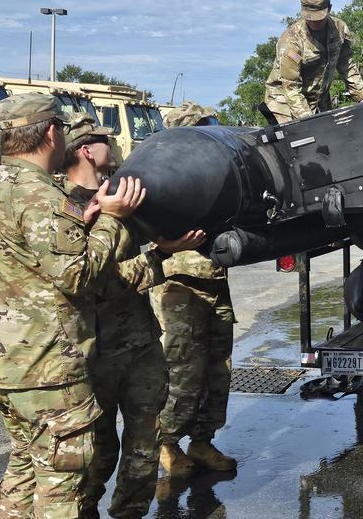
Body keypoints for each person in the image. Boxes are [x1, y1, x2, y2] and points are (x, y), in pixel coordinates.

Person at [0, 92, 145, 518]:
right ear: (49, 132)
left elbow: (22, 259)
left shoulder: (1, 184)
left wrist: (80, 225)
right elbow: (77, 276)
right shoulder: (39, 195)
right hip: (49, 370)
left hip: (9, 365)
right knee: (64, 485)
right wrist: (112, 219)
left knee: (23, 473)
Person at [60, 113, 205, 518]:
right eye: (106, 140)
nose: (116, 145)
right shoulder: (68, 206)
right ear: (87, 150)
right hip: (95, 353)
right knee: (96, 456)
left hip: (139, 344)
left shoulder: (123, 193)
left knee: (143, 451)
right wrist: (161, 256)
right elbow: (95, 281)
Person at [155, 102, 238, 478]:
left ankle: (202, 441)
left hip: (216, 281)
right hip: (181, 285)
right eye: (205, 127)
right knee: (182, 373)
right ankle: (167, 444)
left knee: (219, 370)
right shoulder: (166, 177)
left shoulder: (217, 177)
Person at [264, 0, 363, 124]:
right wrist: (309, 121)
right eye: (309, 17)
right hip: (285, 102)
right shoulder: (291, 42)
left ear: (329, 9)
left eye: (318, 18)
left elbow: (347, 66)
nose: (313, 23)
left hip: (319, 97)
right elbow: (291, 87)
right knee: (301, 140)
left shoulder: (339, 30)